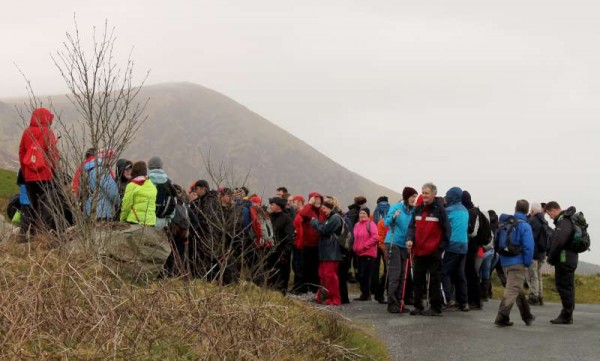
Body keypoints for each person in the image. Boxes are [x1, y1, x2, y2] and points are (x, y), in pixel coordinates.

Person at [406, 183, 450, 317]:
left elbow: (447, 231)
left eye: (426, 193)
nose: (424, 195)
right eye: (423, 193)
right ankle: (418, 306)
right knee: (418, 280)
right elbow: (412, 227)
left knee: (435, 280)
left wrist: (440, 248)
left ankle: (435, 308)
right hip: (418, 250)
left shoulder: (440, 210)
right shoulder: (418, 209)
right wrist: (410, 239)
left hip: (434, 251)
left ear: (433, 194)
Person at [18, 108, 59, 236]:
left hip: (29, 177)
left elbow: (21, 153)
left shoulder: (26, 132)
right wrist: (55, 170)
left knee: (31, 204)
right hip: (45, 176)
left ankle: (25, 233)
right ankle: (40, 234)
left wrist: (25, 171)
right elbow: (53, 154)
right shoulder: (48, 132)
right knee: (45, 205)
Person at [494, 200, 535, 327]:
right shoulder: (524, 226)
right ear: (527, 211)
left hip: (505, 261)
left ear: (515, 208)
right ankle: (501, 316)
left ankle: (527, 316)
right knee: (512, 289)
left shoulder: (505, 223)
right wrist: (527, 263)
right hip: (518, 262)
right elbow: (529, 246)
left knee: (516, 287)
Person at [384, 187, 418, 313]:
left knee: (403, 275)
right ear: (406, 196)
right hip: (393, 243)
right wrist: (393, 217)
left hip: (405, 245)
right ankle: (392, 303)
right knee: (395, 274)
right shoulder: (396, 207)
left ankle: (399, 302)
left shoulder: (413, 211)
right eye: (412, 196)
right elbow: (386, 222)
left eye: (415, 197)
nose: (414, 199)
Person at [545, 201, 578, 325]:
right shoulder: (568, 220)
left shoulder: (563, 221)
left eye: (549, 214)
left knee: (564, 286)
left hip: (565, 259)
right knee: (567, 286)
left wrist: (551, 258)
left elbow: (559, 242)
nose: (550, 217)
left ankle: (567, 315)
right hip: (571, 257)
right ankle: (567, 313)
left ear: (553, 210)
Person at [441, 187, 470, 311]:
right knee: (460, 274)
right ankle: (464, 302)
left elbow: (443, 228)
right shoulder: (465, 210)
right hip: (464, 246)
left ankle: (448, 299)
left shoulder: (448, 211)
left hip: (451, 245)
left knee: (444, 272)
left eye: (448, 195)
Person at [310, 200, 343, 306]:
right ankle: (324, 297)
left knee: (330, 276)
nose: (322, 210)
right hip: (326, 252)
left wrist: (315, 222)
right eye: (321, 209)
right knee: (323, 275)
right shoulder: (329, 218)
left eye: (324, 208)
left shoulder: (335, 218)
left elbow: (325, 230)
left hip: (332, 253)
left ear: (330, 208)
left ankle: (335, 299)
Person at [267, 197, 295, 294]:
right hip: (269, 252)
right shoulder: (268, 216)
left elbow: (289, 238)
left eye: (272, 204)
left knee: (282, 277)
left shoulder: (287, 219)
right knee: (270, 277)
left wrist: (285, 253)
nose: (270, 206)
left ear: (279, 206)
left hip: (281, 253)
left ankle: (281, 296)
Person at [299, 192, 326, 293]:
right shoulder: (308, 210)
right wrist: (309, 204)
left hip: (318, 244)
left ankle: (315, 287)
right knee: (306, 266)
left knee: (316, 267)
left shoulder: (321, 211)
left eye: (319, 199)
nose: (318, 201)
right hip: (308, 244)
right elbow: (303, 214)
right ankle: (305, 287)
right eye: (315, 199)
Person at [83, 150, 120, 220]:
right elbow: (112, 192)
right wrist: (119, 202)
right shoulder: (101, 171)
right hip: (103, 212)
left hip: (90, 210)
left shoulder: (88, 170)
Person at [462, 191, 484, 310]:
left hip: (471, 245)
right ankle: (474, 300)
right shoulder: (473, 210)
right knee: (470, 272)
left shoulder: (472, 211)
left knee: (471, 272)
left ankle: (475, 300)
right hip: (472, 246)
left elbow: (473, 232)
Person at [352, 206, 379, 301]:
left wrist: (365, 245)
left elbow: (375, 237)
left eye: (364, 213)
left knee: (366, 274)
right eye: (361, 213)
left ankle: (366, 294)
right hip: (358, 253)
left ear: (367, 214)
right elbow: (355, 238)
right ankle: (364, 293)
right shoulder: (356, 225)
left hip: (368, 253)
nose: (362, 215)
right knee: (360, 275)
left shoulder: (371, 224)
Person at [120, 161, 157, 226]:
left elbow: (126, 206)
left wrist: (122, 219)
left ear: (133, 172)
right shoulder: (152, 186)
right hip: (151, 222)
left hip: (135, 221)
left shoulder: (131, 186)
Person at [526, 203, 550, 305]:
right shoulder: (544, 221)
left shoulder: (532, 221)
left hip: (534, 252)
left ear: (532, 211)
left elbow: (531, 238)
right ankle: (540, 296)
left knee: (532, 275)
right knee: (539, 275)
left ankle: (533, 296)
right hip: (542, 252)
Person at [147, 156, 177, 229]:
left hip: (146, 222)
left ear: (149, 166)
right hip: (163, 223)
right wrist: (167, 220)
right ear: (161, 166)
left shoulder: (145, 181)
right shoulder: (169, 183)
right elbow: (174, 203)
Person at [372, 196, 390, 303]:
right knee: (388, 271)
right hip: (388, 247)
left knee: (378, 270)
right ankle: (381, 293)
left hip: (378, 245)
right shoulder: (391, 213)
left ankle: (377, 292)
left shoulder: (376, 214)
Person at [290, 195, 306, 294]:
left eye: (294, 202)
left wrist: (299, 242)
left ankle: (299, 287)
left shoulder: (301, 214)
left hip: (300, 243)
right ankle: (298, 286)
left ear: (299, 202)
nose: (293, 204)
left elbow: (301, 231)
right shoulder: (298, 213)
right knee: (296, 265)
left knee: (299, 265)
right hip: (297, 242)